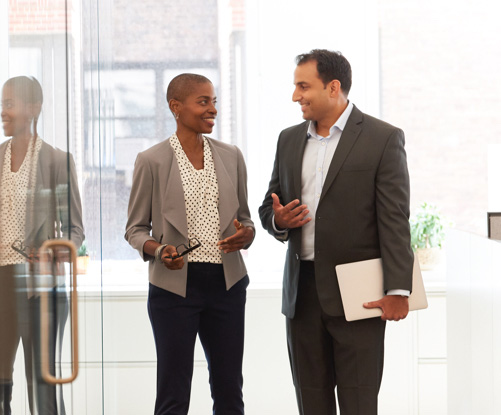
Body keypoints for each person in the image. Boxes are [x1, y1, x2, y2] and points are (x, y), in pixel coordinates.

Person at [258, 50, 414, 415]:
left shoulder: (383, 138)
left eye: (303, 86)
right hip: (302, 295)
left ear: (333, 87)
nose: (295, 96)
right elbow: (270, 206)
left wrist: (398, 290)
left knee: (359, 401)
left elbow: (394, 219)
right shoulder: (288, 139)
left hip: (359, 295)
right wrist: (280, 220)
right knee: (311, 401)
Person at [125, 73, 255, 415]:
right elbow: (135, 229)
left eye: (214, 101)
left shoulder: (231, 156)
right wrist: (159, 250)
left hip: (227, 284)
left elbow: (245, 217)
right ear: (176, 107)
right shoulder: (151, 160)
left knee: (229, 389)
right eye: (203, 102)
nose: (212, 108)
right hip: (174, 289)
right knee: (173, 392)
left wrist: (248, 233)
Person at [0, 76, 84, 415]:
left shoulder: (56, 160)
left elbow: (77, 232)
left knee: (43, 389)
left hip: (41, 287)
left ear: (33, 108)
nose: (2, 111)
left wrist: (58, 252)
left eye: (9, 104)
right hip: (1, 284)